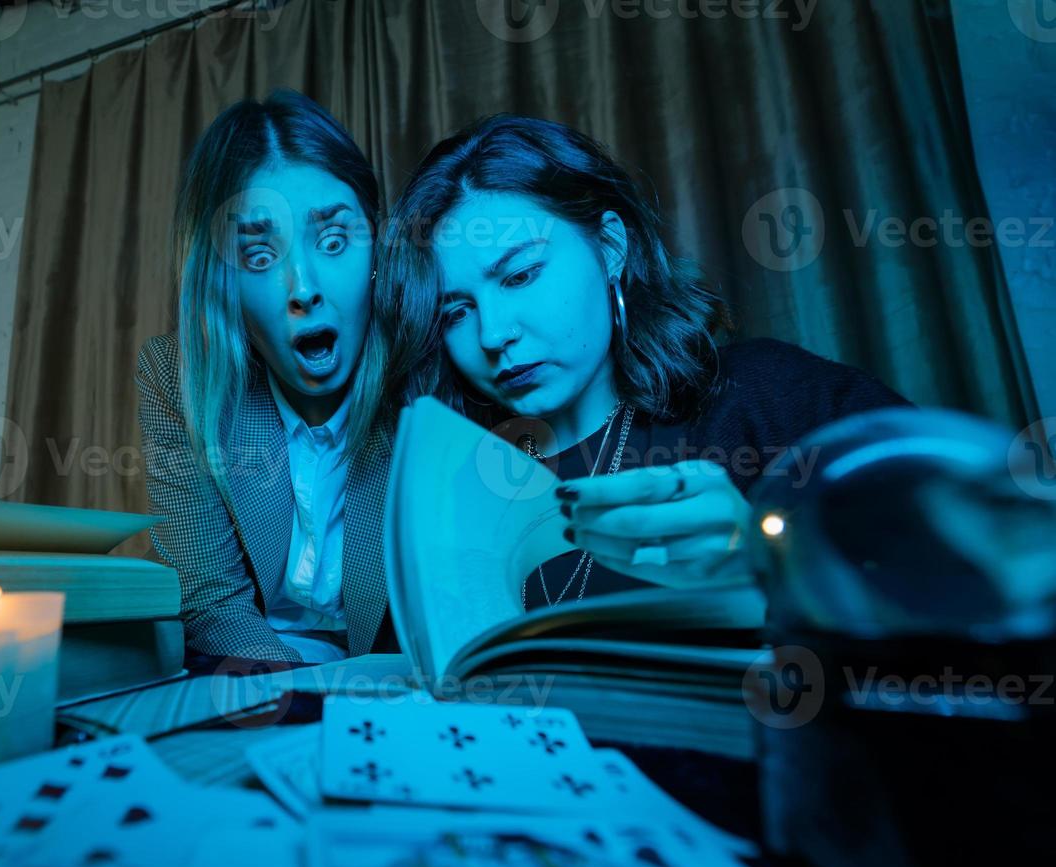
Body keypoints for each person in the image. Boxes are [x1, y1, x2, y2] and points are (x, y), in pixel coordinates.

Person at [377, 114, 908, 608]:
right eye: (456, 312)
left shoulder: (767, 399)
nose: (493, 333)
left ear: (610, 246)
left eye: (520, 276)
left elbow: (965, 558)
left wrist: (771, 565)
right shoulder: (452, 488)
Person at [137, 90, 395, 663]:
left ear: (377, 243)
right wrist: (294, 708)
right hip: (255, 670)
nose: (302, 288)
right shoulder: (173, 378)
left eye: (332, 241)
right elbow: (211, 601)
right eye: (258, 256)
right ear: (223, 282)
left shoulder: (430, 370)